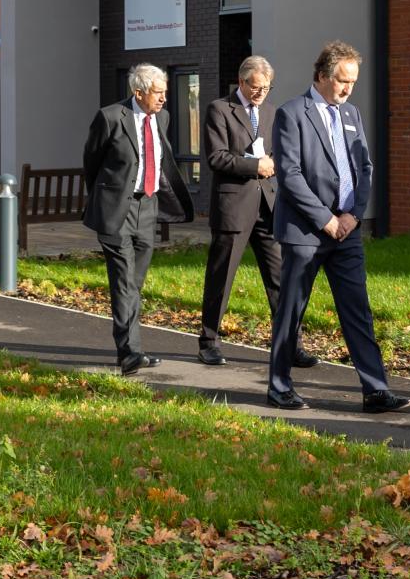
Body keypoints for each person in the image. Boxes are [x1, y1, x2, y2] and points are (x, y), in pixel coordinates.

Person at [266, 40, 409, 414]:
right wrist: (325, 218)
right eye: (343, 81)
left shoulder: (351, 114)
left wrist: (353, 216)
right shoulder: (292, 113)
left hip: (345, 231)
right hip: (305, 231)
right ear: (322, 76)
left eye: (353, 83)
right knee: (291, 313)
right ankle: (279, 387)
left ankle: (376, 390)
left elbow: (365, 168)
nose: (348, 89)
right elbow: (290, 174)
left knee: (357, 311)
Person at [197, 55, 309, 369]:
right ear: (242, 81)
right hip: (234, 205)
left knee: (280, 280)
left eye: (266, 88)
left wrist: (274, 163)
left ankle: (291, 344)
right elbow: (216, 157)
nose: (261, 94)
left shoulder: (273, 112)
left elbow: (282, 151)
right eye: (256, 88)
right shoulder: (219, 109)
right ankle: (208, 342)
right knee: (221, 277)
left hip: (269, 207)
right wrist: (255, 165)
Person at [81, 63, 192, 375]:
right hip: (117, 208)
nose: (164, 99)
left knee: (135, 282)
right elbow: (92, 161)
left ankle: (129, 348)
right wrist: (105, 198)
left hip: (148, 207)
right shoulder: (111, 117)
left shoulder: (163, 118)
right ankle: (130, 352)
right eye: (158, 93)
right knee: (124, 279)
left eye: (165, 93)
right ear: (138, 92)